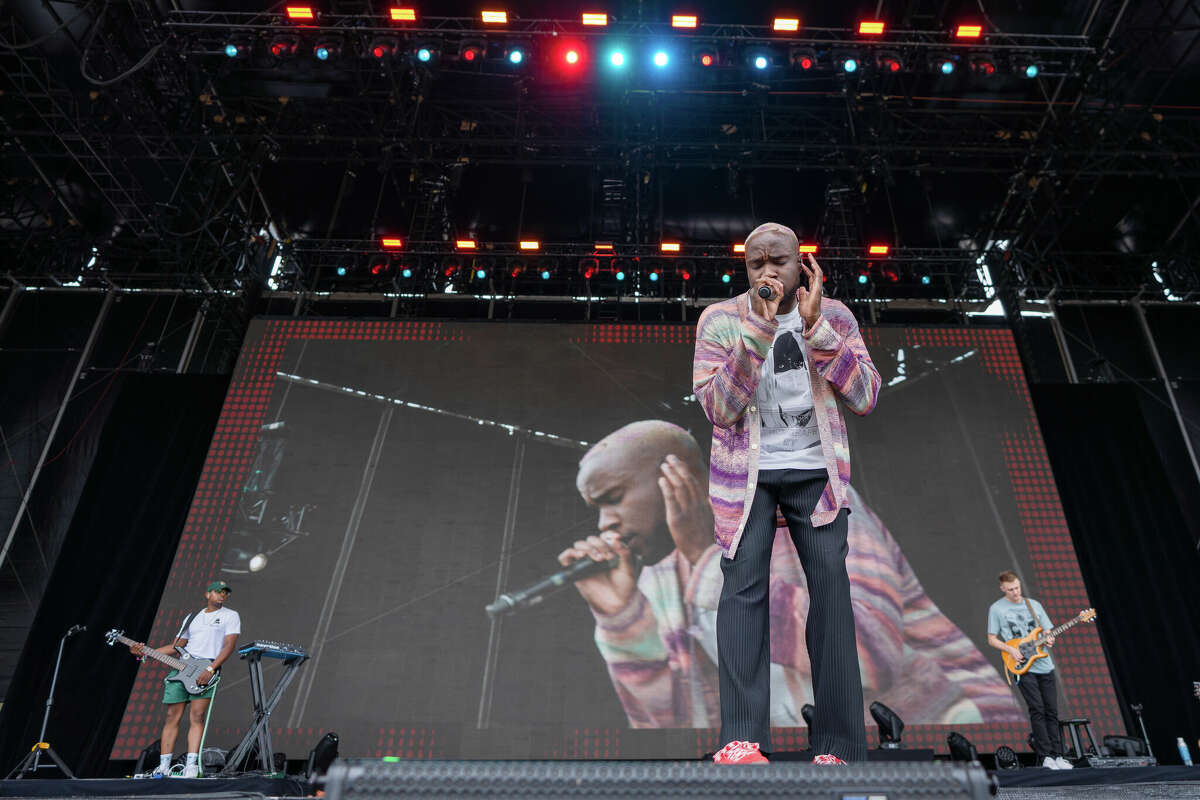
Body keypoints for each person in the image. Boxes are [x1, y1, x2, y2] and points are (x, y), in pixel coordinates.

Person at [561, 421, 1022, 744]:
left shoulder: (812, 503)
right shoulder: (660, 579)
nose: (605, 524)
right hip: (797, 768)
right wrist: (623, 622)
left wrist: (709, 559)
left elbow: (866, 658)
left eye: (613, 499)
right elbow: (674, 730)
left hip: (948, 745)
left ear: (676, 475)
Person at [131, 580, 240, 777]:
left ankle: (191, 765)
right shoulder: (193, 617)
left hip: (206, 668)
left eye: (225, 592)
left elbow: (229, 646)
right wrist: (143, 653)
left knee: (197, 717)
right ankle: (163, 766)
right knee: (172, 717)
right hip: (181, 668)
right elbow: (176, 646)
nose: (222, 595)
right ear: (208, 594)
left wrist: (211, 668)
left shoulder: (230, 616)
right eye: (218, 591)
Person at [987, 571, 1073, 769]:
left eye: (1017, 587)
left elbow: (1047, 630)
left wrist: (1050, 637)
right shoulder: (997, 609)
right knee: (1037, 709)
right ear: (1002, 589)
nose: (1016, 592)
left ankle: (1058, 755)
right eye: (1011, 590)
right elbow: (991, 639)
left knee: (1052, 710)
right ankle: (1045, 757)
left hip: (1044, 665)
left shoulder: (1033, 605)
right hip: (1022, 666)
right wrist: (1011, 649)